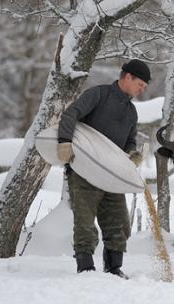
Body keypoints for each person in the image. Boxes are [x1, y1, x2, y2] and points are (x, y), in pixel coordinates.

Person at [57, 59, 151, 279]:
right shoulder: (98, 95)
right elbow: (71, 114)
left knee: (119, 222)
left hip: (112, 175)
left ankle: (114, 268)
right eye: (140, 84)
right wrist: (64, 142)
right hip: (83, 171)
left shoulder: (131, 112)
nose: (141, 90)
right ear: (127, 77)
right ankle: (86, 268)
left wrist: (131, 155)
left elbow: (129, 141)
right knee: (84, 223)